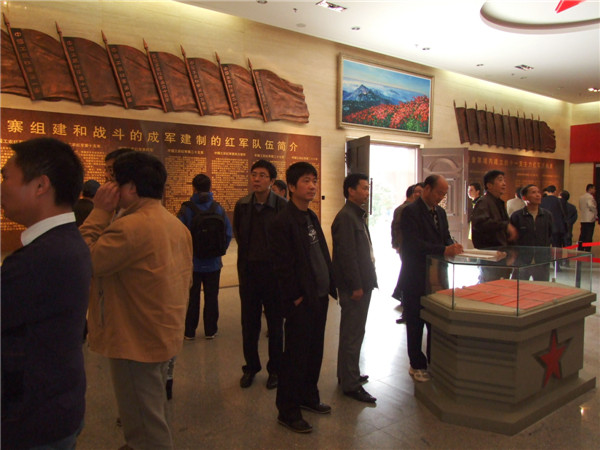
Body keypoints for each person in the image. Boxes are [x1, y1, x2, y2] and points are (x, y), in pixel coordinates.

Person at [80, 151, 193, 449]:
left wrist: (99, 212)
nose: (108, 187)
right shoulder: (175, 225)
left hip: (135, 340)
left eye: (113, 180)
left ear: (130, 187)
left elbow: (82, 260)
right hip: (161, 333)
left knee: (145, 427)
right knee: (151, 411)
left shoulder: (130, 227)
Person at [1, 138, 92, 449]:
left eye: (6, 177)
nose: (1, 187)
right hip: (54, 404)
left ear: (40, 185)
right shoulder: (65, 242)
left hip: (31, 419)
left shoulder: (41, 258)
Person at [270, 162, 337, 433]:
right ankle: (287, 410)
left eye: (314, 181)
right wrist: (295, 297)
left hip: (318, 297)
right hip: (301, 301)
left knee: (314, 352)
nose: (312, 186)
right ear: (292, 186)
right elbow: (281, 266)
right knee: (295, 357)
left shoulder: (310, 216)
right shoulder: (282, 221)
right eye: (306, 181)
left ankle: (308, 396)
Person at [398, 175, 463, 383]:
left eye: (444, 194)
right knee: (415, 321)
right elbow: (413, 244)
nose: (441, 197)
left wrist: (452, 245)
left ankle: (436, 361)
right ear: (427, 189)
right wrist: (443, 249)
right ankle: (416, 364)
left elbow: (444, 236)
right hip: (416, 275)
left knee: (436, 320)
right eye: (438, 192)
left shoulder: (440, 212)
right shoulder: (410, 212)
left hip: (437, 275)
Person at [233, 159, 287, 389]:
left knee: (275, 325)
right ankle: (251, 367)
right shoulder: (243, 205)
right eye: (254, 174)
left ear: (272, 180)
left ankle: (275, 369)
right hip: (249, 273)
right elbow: (239, 234)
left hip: (274, 275)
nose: (256, 179)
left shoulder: (282, 206)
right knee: (249, 324)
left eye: (262, 175)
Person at [332, 173, 378, 404]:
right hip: (355, 287)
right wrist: (356, 286)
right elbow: (347, 256)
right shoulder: (346, 217)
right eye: (364, 188)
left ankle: (348, 374)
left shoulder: (355, 214)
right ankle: (350, 384)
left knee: (354, 332)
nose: (367, 192)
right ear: (350, 190)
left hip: (362, 282)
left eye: (368, 188)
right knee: (352, 333)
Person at [178, 174, 233, 341]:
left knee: (192, 298)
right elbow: (228, 233)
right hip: (214, 263)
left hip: (193, 263)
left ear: (193, 188)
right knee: (211, 297)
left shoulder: (187, 209)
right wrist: (218, 251)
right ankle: (210, 330)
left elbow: (179, 235)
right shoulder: (218, 208)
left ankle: (189, 331)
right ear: (210, 188)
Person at [391, 182, 423, 323]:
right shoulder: (405, 209)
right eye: (417, 192)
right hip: (406, 248)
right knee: (407, 275)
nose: (419, 194)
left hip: (412, 249)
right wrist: (397, 245)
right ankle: (406, 308)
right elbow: (396, 228)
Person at [509, 184, 553, 280]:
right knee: (519, 287)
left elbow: (550, 235)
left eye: (538, 192)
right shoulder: (517, 216)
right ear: (524, 197)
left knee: (541, 287)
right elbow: (512, 238)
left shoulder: (547, 215)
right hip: (522, 261)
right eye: (533, 192)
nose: (538, 195)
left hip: (541, 261)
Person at [472, 170, 518, 249]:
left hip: (500, 250)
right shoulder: (484, 202)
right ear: (489, 185)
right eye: (500, 180)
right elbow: (481, 224)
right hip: (489, 251)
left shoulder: (499, 202)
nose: (504, 183)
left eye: (504, 180)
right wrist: (505, 225)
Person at [578, 184, 597, 252]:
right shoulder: (590, 197)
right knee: (589, 235)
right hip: (590, 219)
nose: (595, 190)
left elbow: (580, 207)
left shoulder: (581, 197)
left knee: (582, 235)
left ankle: (580, 248)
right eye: (594, 189)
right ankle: (587, 249)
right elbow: (591, 206)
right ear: (590, 189)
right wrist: (595, 213)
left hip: (583, 218)